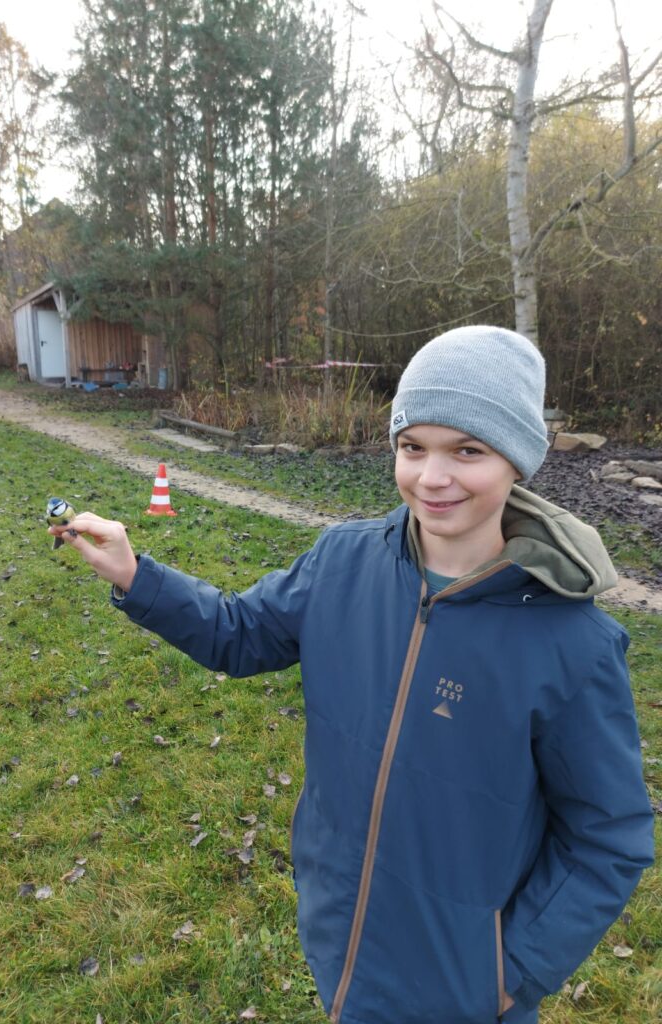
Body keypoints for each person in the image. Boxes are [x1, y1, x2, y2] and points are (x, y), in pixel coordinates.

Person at [49, 325, 654, 1024]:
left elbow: (608, 837)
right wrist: (136, 576)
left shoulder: (571, 643)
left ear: (517, 459)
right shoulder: (342, 562)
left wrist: (510, 971)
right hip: (342, 942)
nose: (432, 477)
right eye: (412, 446)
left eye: (468, 450)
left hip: (466, 990)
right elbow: (241, 635)